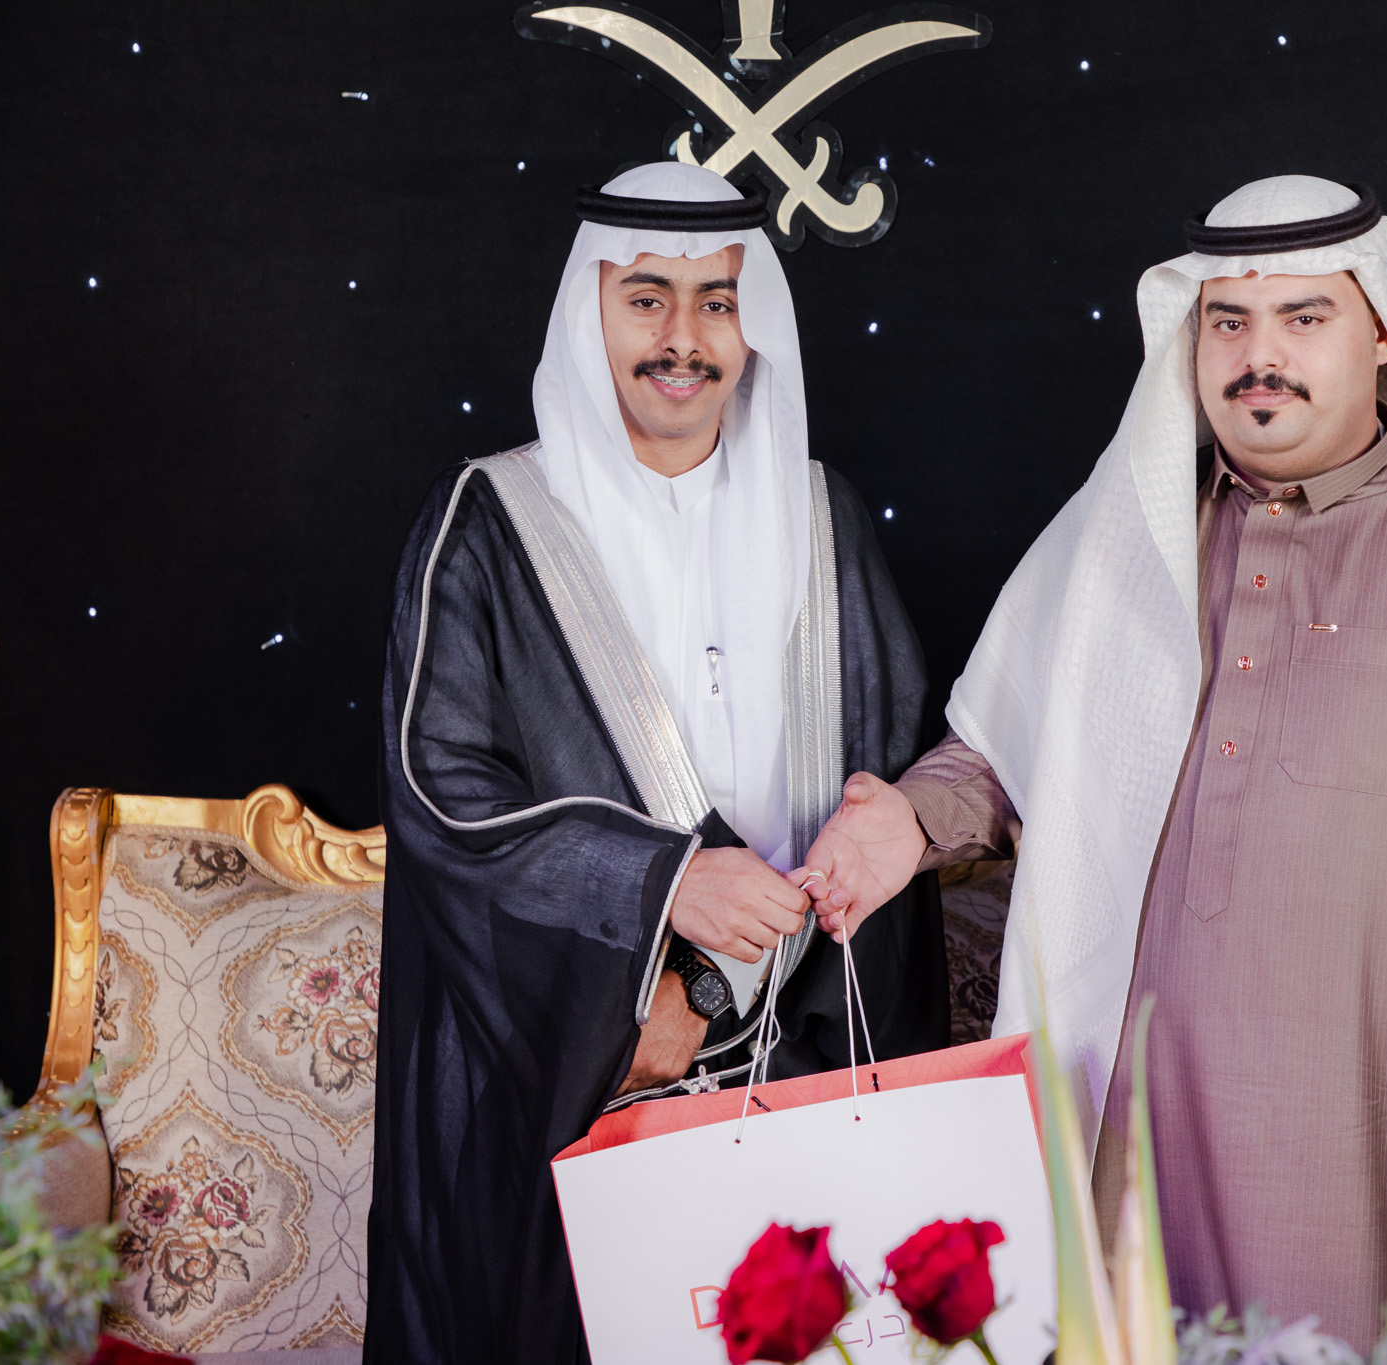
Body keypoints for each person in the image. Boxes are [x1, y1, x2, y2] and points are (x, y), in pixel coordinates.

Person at [794, 175, 1387, 1345]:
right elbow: (1014, 749)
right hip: (1143, 1116)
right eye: (1228, 322)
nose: (1260, 357)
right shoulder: (1128, 538)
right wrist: (905, 823)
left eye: (1303, 318)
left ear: (1379, 335)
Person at [365, 163, 947, 1364]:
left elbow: (888, 768)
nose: (682, 339)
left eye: (715, 302)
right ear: (590, 312)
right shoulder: (488, 518)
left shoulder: (824, 517)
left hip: (808, 1057)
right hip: (595, 1058)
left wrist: (859, 858)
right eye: (645, 299)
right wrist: (659, 896)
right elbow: (437, 788)